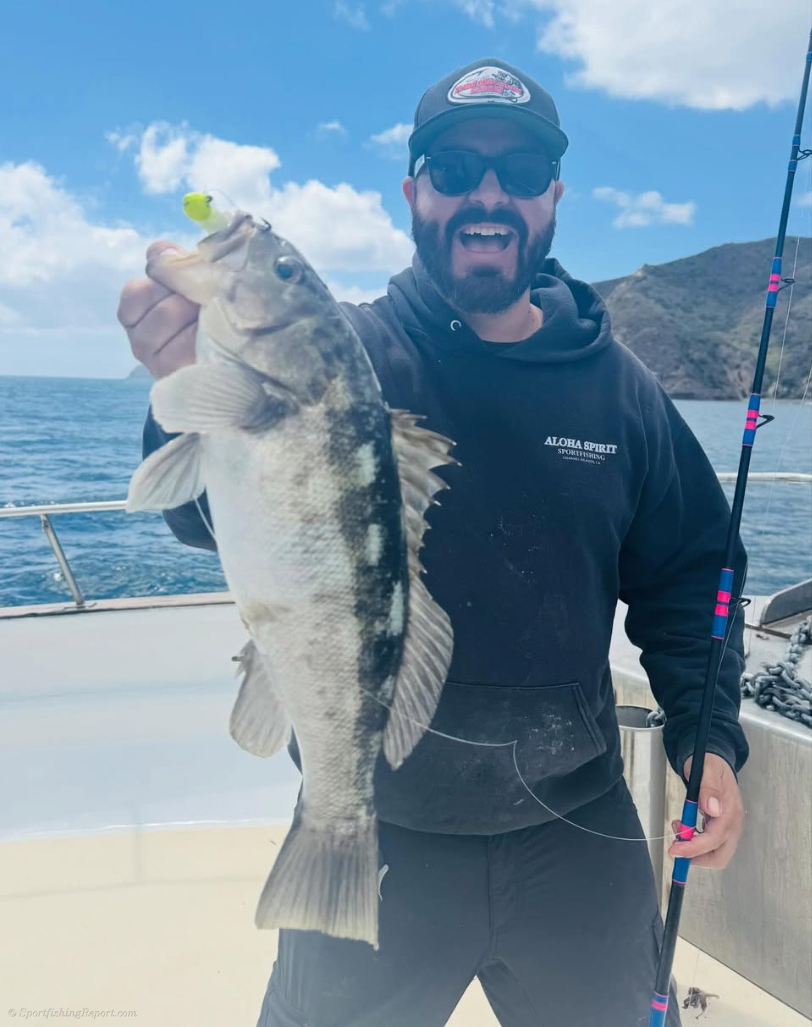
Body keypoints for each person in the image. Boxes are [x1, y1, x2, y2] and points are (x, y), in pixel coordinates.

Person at [117, 58, 748, 1027]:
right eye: (454, 169)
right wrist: (182, 392)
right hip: (382, 821)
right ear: (414, 193)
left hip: (574, 825)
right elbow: (205, 516)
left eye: (520, 170)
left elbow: (692, 572)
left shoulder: (622, 391)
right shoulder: (348, 358)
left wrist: (707, 739)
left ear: (553, 197)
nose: (486, 194)